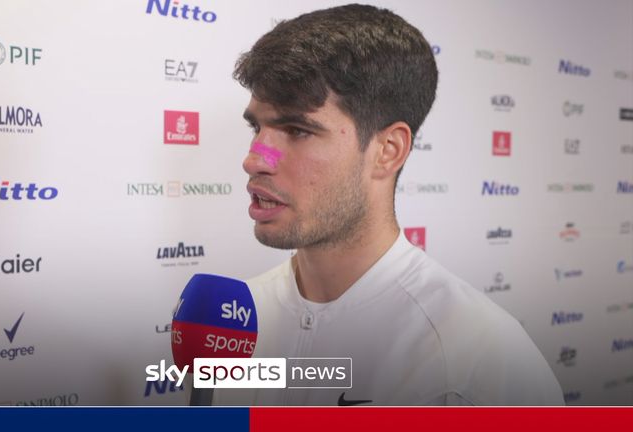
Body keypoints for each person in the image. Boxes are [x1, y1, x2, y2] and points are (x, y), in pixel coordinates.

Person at [215, 4, 564, 405]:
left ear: (388, 150)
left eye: (297, 130)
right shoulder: (232, 322)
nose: (255, 159)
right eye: (256, 127)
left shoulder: (481, 360)